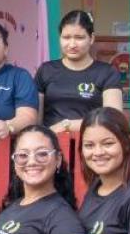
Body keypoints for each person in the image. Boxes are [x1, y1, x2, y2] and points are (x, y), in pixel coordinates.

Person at [37, 9, 125, 141]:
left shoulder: (107, 72)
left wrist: (67, 125)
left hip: (91, 146)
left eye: (79, 38)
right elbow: (36, 120)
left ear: (92, 38)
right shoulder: (46, 70)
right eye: (66, 37)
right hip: (50, 147)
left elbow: (113, 118)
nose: (72, 44)